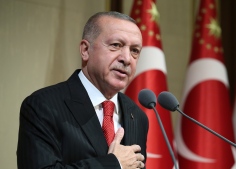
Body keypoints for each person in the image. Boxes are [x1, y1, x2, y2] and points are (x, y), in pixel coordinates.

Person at [17, 11, 149, 169]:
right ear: (85, 50)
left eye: (135, 51)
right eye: (116, 45)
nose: (127, 59)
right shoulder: (43, 106)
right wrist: (114, 164)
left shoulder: (137, 116)